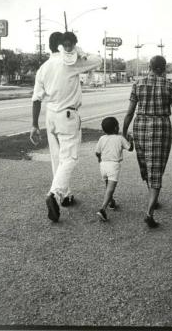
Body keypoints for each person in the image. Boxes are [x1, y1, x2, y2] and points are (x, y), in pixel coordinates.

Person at [30, 31, 101, 222]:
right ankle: (55, 194)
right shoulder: (70, 63)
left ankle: (66, 195)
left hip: (50, 116)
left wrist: (34, 125)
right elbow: (98, 60)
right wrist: (79, 50)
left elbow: (36, 98)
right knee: (69, 157)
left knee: (57, 158)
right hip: (67, 115)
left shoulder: (43, 68)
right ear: (63, 45)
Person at [122, 55, 172, 228]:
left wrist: (124, 131)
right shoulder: (170, 86)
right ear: (164, 68)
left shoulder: (137, 84)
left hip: (140, 127)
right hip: (161, 127)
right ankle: (149, 212)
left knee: (146, 165)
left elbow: (129, 112)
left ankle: (153, 200)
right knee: (156, 167)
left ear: (149, 66)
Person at [95, 117, 134, 222]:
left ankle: (111, 202)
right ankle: (102, 209)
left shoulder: (102, 138)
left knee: (107, 185)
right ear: (116, 127)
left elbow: (97, 152)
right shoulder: (120, 138)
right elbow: (130, 148)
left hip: (103, 165)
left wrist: (99, 159)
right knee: (111, 188)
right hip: (113, 165)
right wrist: (131, 140)